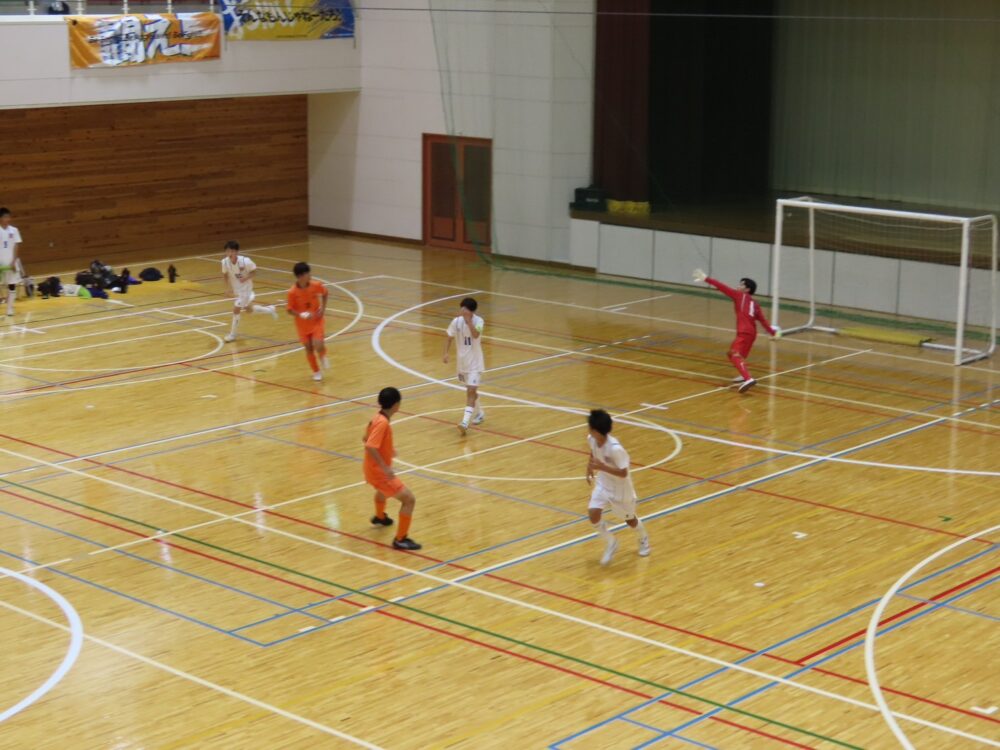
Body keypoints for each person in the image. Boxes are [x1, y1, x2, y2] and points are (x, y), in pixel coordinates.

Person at [693, 269, 780, 393]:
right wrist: (773, 333)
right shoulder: (755, 304)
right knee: (733, 354)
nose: (738, 286)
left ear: (747, 289)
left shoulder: (740, 296)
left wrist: (706, 279)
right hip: (752, 333)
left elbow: (722, 287)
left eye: (741, 285)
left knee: (734, 354)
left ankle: (748, 379)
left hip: (744, 332)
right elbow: (763, 320)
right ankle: (744, 375)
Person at [586, 409, 649, 565]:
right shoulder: (592, 439)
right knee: (593, 514)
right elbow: (593, 452)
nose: (588, 429)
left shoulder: (615, 449)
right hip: (603, 483)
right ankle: (611, 542)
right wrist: (589, 467)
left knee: (630, 520)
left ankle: (643, 538)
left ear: (596, 431)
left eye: (590, 427)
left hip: (621, 489)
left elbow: (623, 473)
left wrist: (602, 466)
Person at [364, 387, 421, 551]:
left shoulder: (376, 418)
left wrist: (388, 450)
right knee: (409, 500)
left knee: (382, 491)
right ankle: (400, 539)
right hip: (379, 472)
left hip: (369, 469)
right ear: (396, 405)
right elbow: (370, 445)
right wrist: (384, 467)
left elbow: (365, 438)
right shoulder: (383, 423)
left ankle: (380, 517)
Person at [442, 297, 485, 435]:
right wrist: (446, 353)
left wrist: (469, 322)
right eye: (462, 308)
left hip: (475, 364)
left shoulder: (479, 321)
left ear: (471, 311)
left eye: (465, 309)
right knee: (471, 391)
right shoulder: (456, 322)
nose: (462, 310)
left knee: (470, 391)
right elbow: (449, 337)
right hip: (462, 364)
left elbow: (476, 335)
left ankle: (465, 422)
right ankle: (480, 413)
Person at [220, 240, 277, 342]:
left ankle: (232, 335)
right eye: (227, 251)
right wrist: (227, 288)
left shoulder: (245, 261)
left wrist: (245, 278)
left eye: (232, 251)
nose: (229, 253)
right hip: (237, 290)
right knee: (249, 310)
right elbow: (225, 275)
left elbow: (254, 271)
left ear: (236, 252)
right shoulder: (224, 262)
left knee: (236, 309)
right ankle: (270, 310)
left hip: (246, 289)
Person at [286, 261, 329, 381]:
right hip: (302, 325)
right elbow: (289, 310)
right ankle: (316, 371)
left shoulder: (316, 285)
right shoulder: (292, 292)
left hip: (316, 321)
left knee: (318, 344)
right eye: (307, 274)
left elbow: (325, 293)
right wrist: (301, 314)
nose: (310, 276)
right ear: (300, 276)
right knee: (309, 348)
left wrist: (323, 309)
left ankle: (323, 355)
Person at [0, 208, 22, 317]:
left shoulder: (14, 230)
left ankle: (9, 309)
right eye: (5, 217)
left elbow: (16, 245)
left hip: (11, 262)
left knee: (11, 285)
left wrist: (14, 261)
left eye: (9, 217)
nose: (8, 219)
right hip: (1, 262)